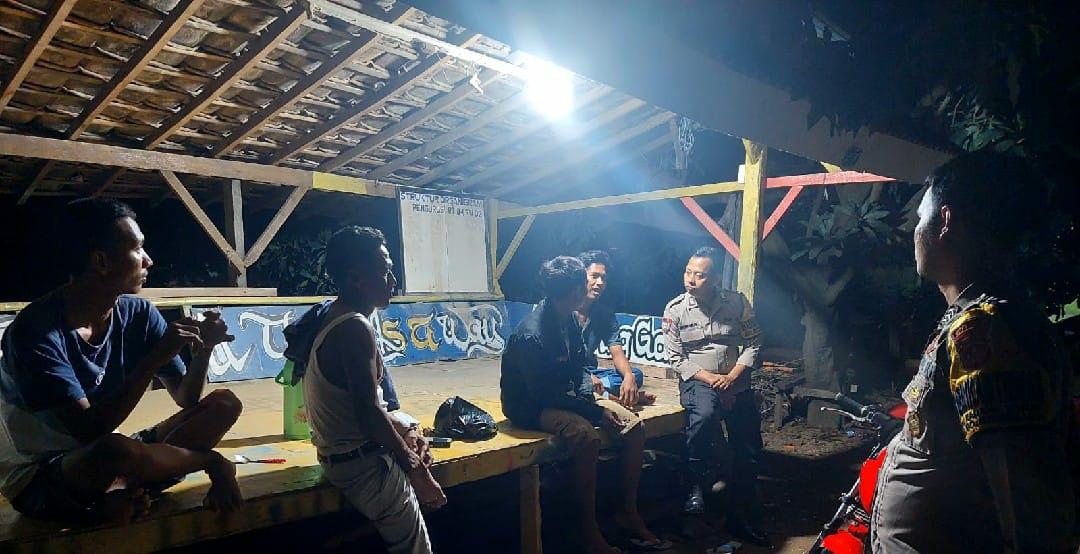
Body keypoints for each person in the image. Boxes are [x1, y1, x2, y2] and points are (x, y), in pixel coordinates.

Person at [870, 151, 1077, 553]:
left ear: (945, 221)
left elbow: (1024, 500)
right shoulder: (980, 316)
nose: (913, 233)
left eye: (920, 219)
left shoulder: (985, 331)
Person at [0, 198, 243, 524]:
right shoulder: (35, 331)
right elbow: (89, 431)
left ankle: (121, 491)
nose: (148, 260)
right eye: (137, 249)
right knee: (116, 450)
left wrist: (205, 350)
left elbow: (186, 398)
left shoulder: (138, 313)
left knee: (224, 404)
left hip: (112, 455)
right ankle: (191, 467)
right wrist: (153, 360)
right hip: (42, 475)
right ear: (101, 261)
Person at [501, 256, 669, 554]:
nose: (589, 287)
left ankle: (628, 513)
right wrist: (595, 411)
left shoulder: (567, 317)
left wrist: (593, 397)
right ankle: (588, 531)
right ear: (571, 291)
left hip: (566, 395)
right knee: (586, 437)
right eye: (583, 283)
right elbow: (543, 395)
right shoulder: (532, 333)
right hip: (531, 406)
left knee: (633, 427)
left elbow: (579, 366)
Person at [301, 226, 443, 554]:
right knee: (416, 548)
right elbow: (367, 413)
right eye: (385, 270)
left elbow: (359, 405)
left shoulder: (336, 314)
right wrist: (414, 468)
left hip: (341, 457)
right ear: (357, 278)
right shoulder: (353, 328)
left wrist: (406, 431)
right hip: (361, 466)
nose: (393, 280)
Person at [663, 246, 766, 546]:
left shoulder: (737, 303)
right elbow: (676, 357)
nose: (691, 279)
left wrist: (733, 377)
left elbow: (754, 340)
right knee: (704, 416)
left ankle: (740, 513)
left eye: (700, 275)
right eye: (688, 272)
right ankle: (694, 487)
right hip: (698, 380)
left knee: (748, 445)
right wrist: (714, 381)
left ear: (716, 279)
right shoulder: (675, 309)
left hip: (736, 379)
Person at [575, 250, 656, 407]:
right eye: (594, 276)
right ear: (580, 277)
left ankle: (603, 393)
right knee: (568, 381)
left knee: (635, 374)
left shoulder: (604, 314)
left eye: (603, 278)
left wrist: (628, 377)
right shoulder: (565, 308)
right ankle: (618, 397)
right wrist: (585, 378)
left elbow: (617, 352)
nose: (600, 282)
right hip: (569, 372)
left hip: (593, 374)